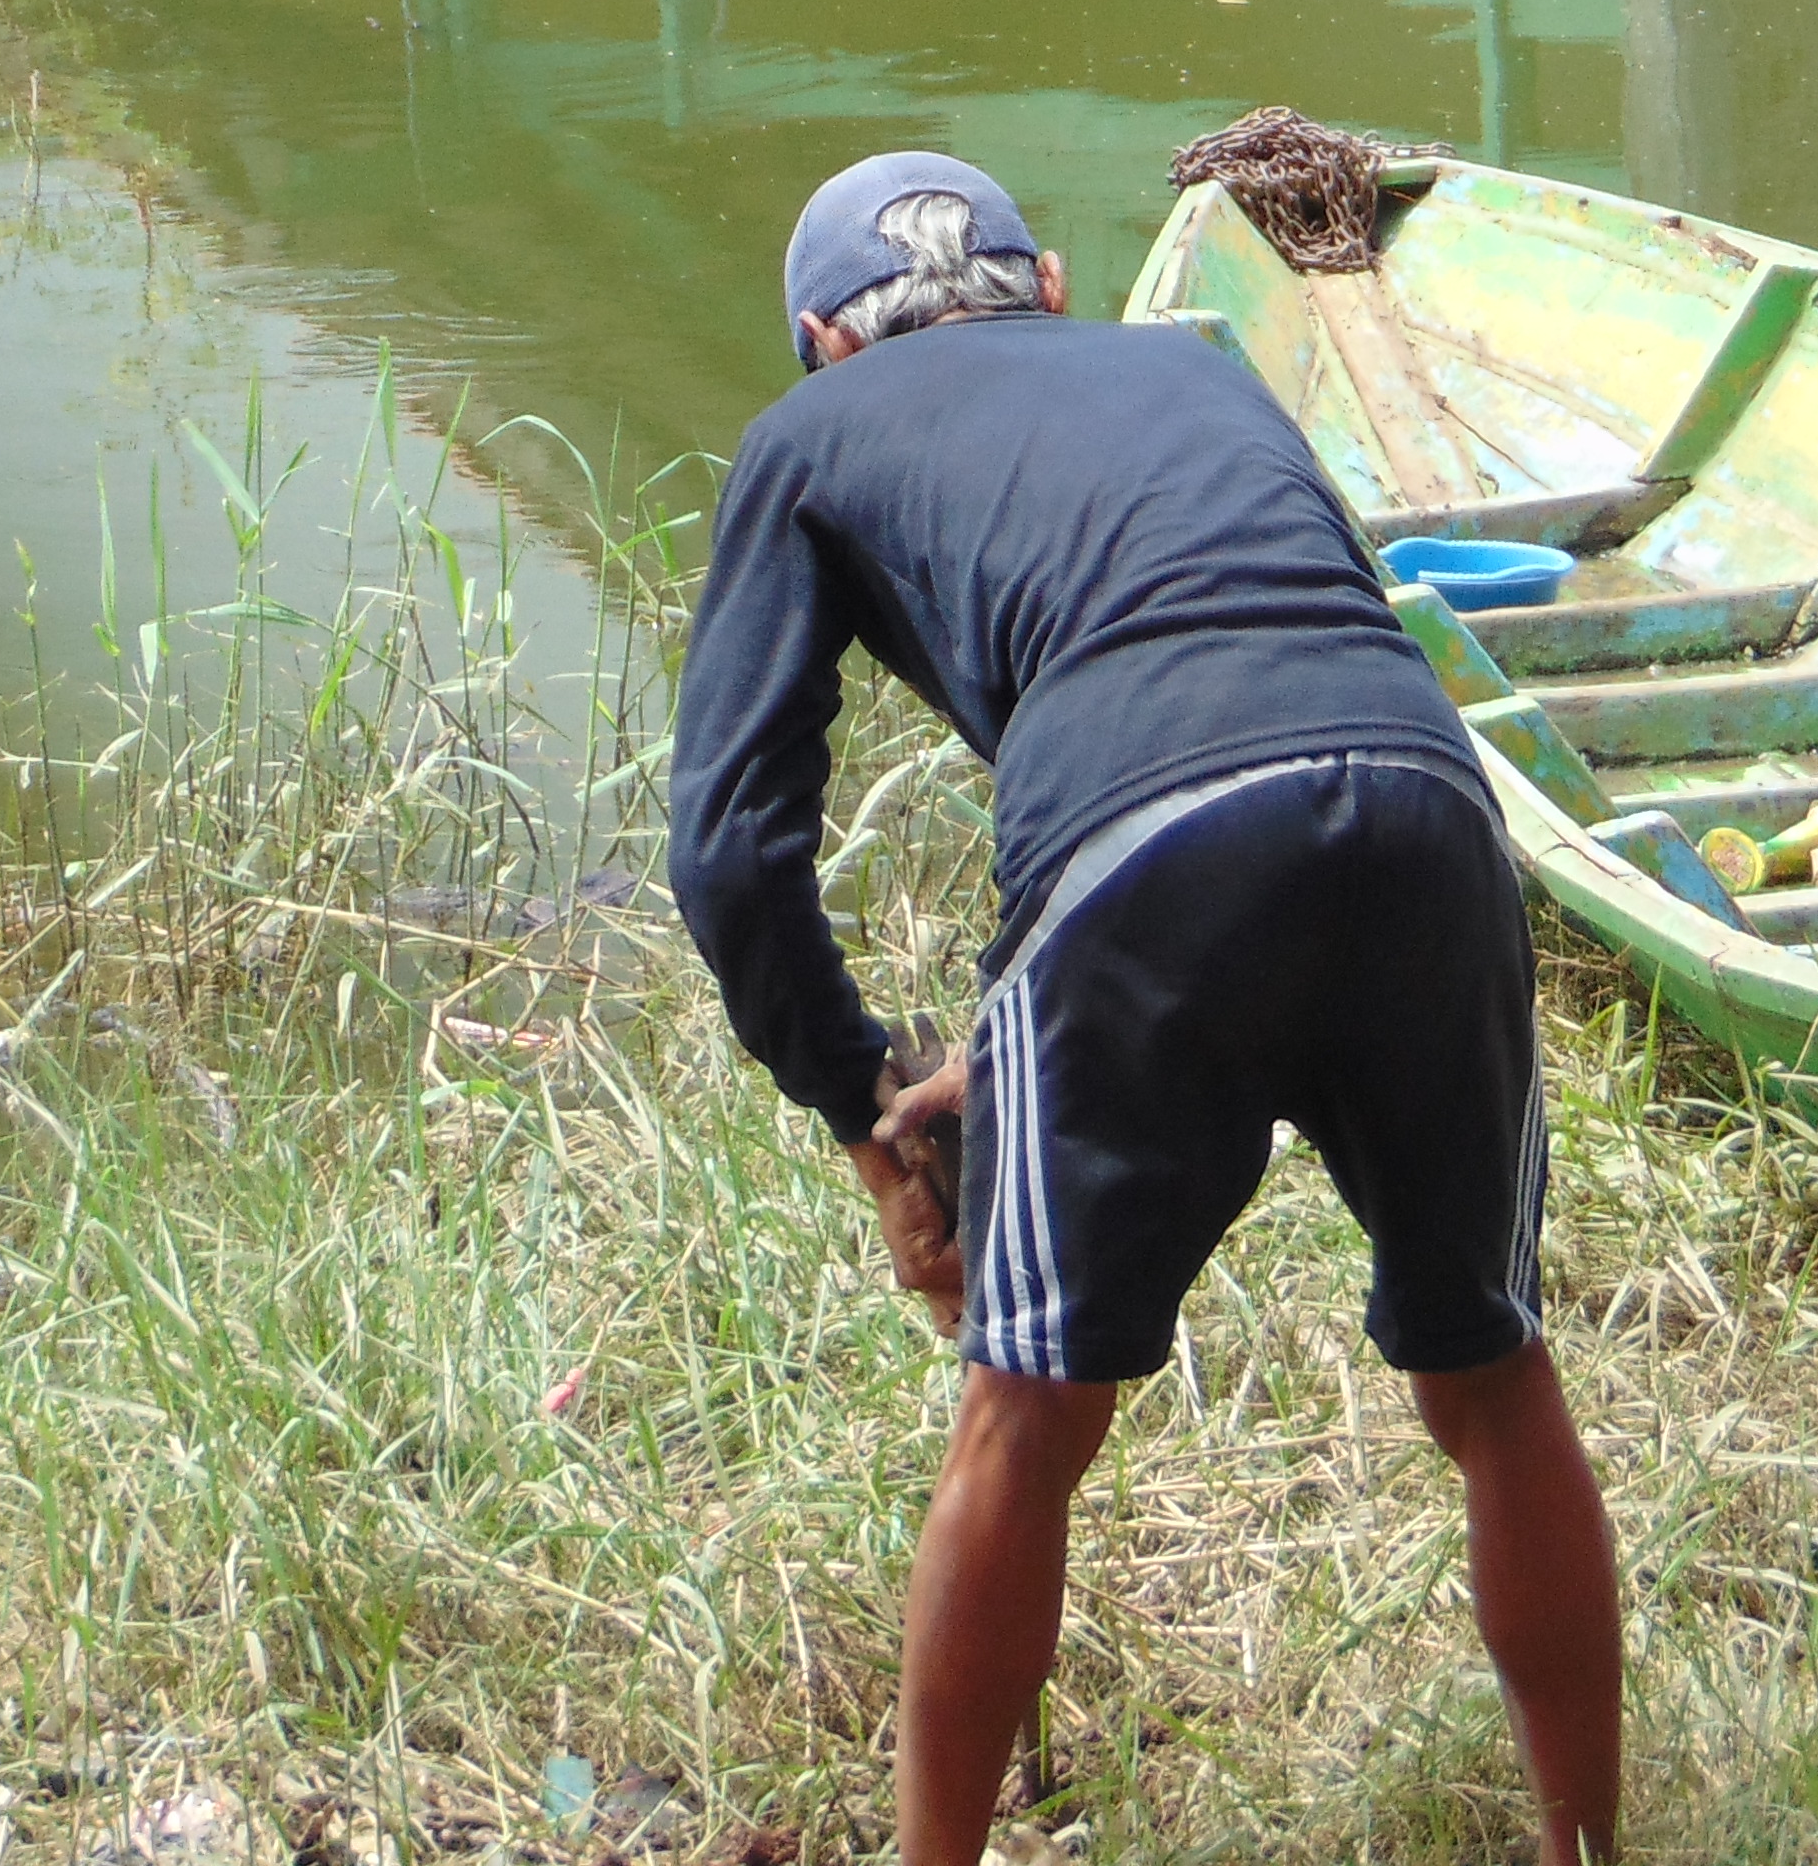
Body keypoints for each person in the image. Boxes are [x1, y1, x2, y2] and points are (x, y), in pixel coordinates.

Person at [669, 150, 1624, 1866]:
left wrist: (867, 1109)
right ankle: (1587, 1854)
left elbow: (733, 855)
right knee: (1491, 1366)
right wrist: (995, 1051)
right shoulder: (1193, 365)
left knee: (1027, 1408)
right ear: (1049, 290)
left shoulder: (811, 434)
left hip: (1139, 845)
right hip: (1425, 806)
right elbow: (1282, 671)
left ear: (825, 339)